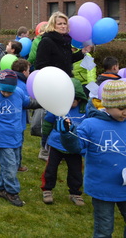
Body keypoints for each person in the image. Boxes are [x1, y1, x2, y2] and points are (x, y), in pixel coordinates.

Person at [59, 80, 126, 237]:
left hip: (124, 187)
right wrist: (67, 134)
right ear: (107, 106)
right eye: (121, 108)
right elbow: (75, 147)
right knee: (104, 228)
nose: (125, 112)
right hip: (102, 187)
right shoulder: (90, 125)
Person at [0, 70, 39, 207]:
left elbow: (27, 102)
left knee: (13, 163)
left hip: (16, 136)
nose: (7, 94)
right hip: (1, 138)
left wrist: (41, 103)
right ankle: (12, 192)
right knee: (10, 166)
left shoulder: (18, 92)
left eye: (10, 92)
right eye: (4, 91)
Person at [40, 78, 87, 206]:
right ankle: (47, 189)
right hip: (56, 144)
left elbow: (90, 125)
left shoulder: (85, 110)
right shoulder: (57, 106)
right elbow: (49, 122)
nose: (71, 103)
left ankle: (75, 193)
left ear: (80, 98)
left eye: (74, 100)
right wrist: (45, 139)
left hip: (75, 147)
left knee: (76, 171)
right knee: (51, 168)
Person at [35, 11, 87, 76]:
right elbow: (41, 65)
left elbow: (68, 59)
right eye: (59, 24)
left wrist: (82, 52)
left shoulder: (66, 40)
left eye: (65, 23)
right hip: (53, 80)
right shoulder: (46, 41)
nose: (63, 26)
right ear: (52, 25)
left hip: (66, 78)